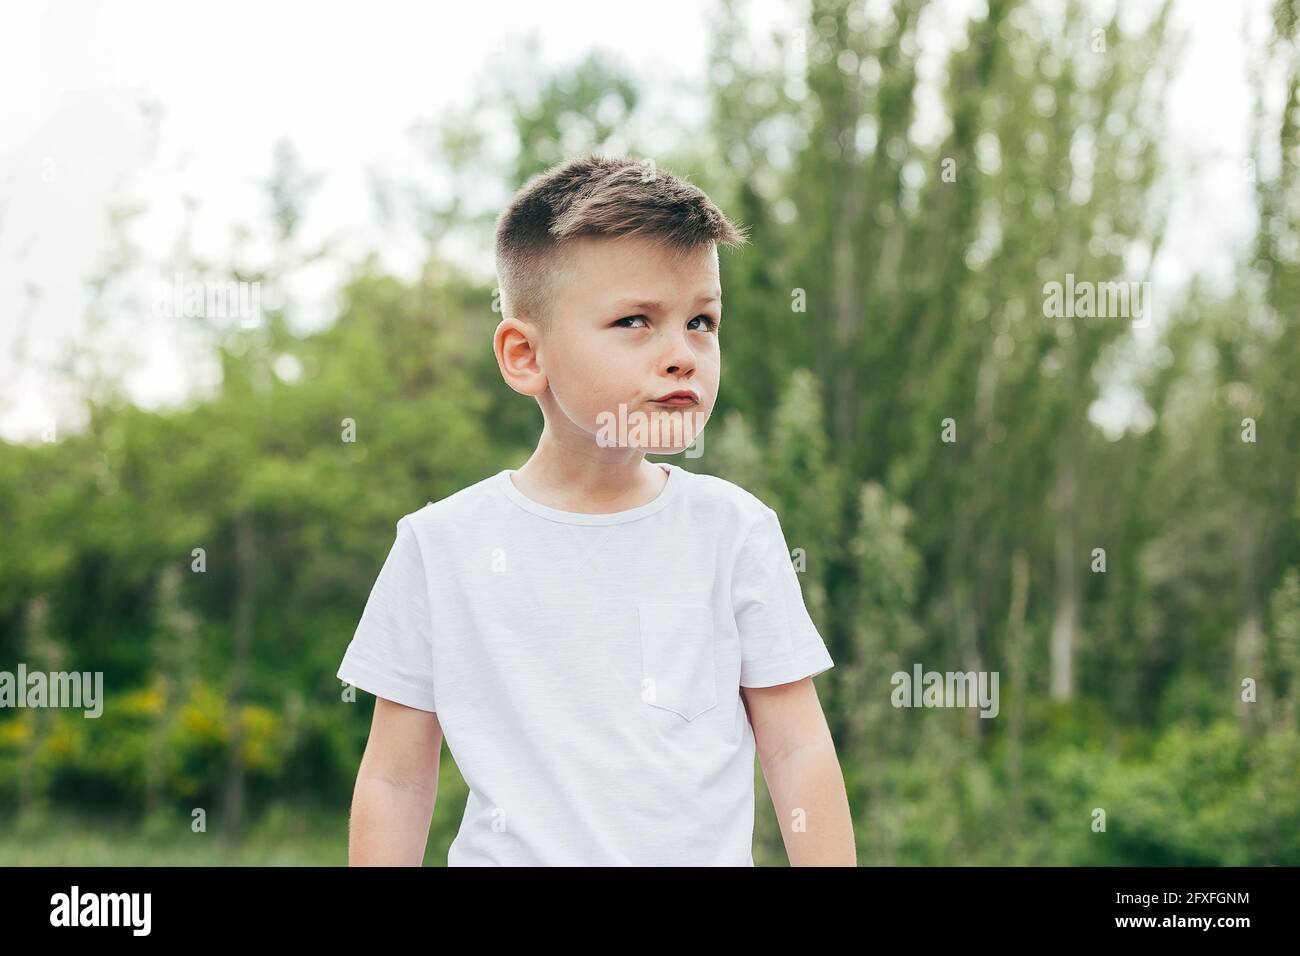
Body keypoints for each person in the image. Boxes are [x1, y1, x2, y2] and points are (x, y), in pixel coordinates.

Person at [337, 154, 855, 866]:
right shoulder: (441, 546)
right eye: (636, 320)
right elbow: (396, 780)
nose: (683, 355)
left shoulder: (736, 533)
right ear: (525, 355)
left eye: (702, 321)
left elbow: (797, 751)